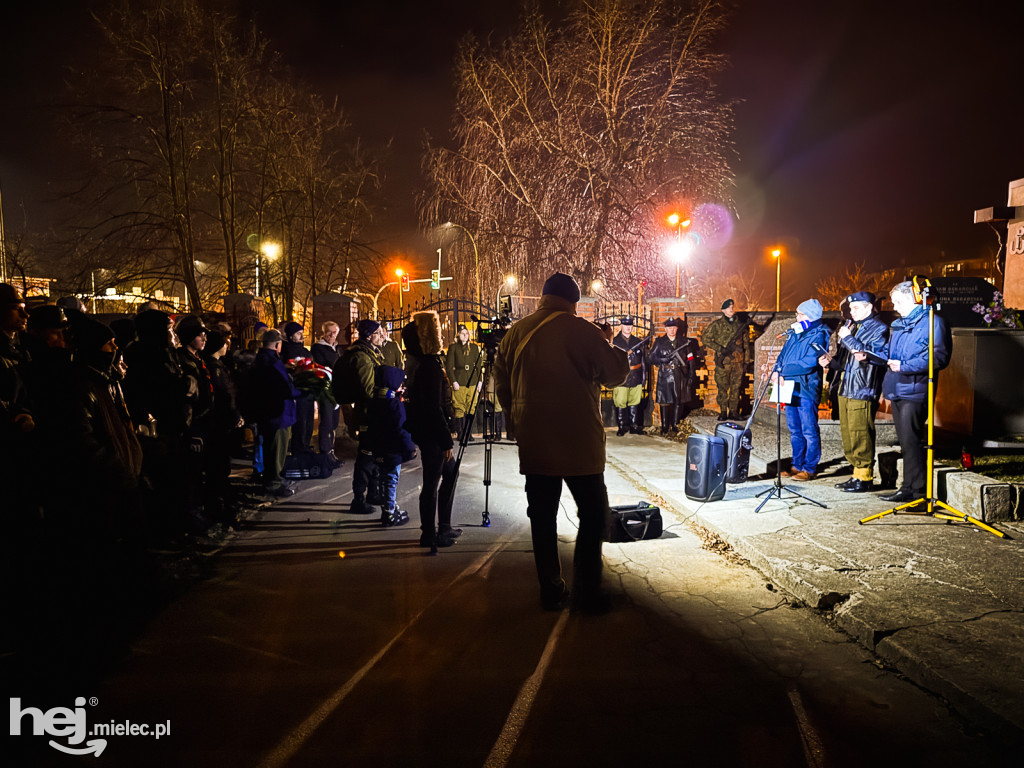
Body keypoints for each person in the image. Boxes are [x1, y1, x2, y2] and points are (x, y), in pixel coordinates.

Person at [493, 272, 629, 613]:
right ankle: (587, 594)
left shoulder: (515, 334)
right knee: (593, 515)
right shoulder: (583, 331)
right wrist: (608, 342)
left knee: (542, 517)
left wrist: (518, 422)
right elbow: (614, 373)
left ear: (543, 297)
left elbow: (502, 387)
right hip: (578, 441)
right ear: (573, 302)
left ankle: (550, 589)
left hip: (535, 442)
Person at [879, 280, 952, 503]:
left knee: (913, 441)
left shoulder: (934, 322)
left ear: (914, 299)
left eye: (898, 302)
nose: (895, 307)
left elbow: (938, 357)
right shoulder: (899, 325)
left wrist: (905, 366)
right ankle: (908, 487)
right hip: (898, 387)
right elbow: (891, 351)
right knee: (906, 442)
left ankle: (918, 491)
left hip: (916, 389)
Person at [817, 292, 890, 492]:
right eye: (851, 308)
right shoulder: (852, 327)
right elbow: (847, 361)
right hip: (846, 386)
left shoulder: (879, 328)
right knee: (849, 433)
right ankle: (856, 473)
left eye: (856, 308)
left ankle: (865, 477)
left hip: (863, 387)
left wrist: (848, 339)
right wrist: (832, 363)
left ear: (869, 307)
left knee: (861, 432)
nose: (852, 312)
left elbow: (873, 355)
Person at [402, 312, 461, 549]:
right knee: (432, 482)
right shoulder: (428, 366)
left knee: (449, 472)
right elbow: (433, 407)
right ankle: (429, 533)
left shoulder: (423, 362)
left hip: (429, 431)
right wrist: (446, 439)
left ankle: (442, 528)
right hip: (432, 433)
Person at [772, 299, 830, 481]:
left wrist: (783, 371)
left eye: (800, 314)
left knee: (809, 430)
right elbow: (782, 356)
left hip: (805, 387)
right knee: (794, 429)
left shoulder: (819, 334)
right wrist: (776, 371)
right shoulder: (795, 333)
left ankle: (810, 467)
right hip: (789, 386)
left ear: (811, 316)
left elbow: (809, 362)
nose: (797, 317)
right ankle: (797, 464)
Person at [333, 318, 386, 514]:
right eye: (379, 333)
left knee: (375, 454)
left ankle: (373, 493)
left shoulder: (369, 353)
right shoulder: (362, 357)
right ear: (369, 336)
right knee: (366, 456)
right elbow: (367, 390)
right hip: (367, 414)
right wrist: (389, 391)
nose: (382, 336)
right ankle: (358, 499)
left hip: (373, 413)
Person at [249, 329, 301, 497]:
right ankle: (274, 484)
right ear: (278, 345)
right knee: (276, 450)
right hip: (277, 414)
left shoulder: (262, 360)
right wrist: (301, 390)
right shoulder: (271, 362)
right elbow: (282, 388)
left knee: (274, 449)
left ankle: (274, 479)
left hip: (271, 413)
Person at [363, 365, 415, 527]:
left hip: (378, 448)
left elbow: (368, 426)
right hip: (393, 450)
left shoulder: (375, 402)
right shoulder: (394, 405)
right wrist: (410, 448)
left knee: (383, 479)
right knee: (391, 479)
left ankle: (388, 507)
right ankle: (390, 513)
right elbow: (401, 429)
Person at [701, 298, 752, 421]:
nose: (732, 309)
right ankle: (723, 411)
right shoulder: (717, 325)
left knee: (736, 387)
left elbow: (746, 345)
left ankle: (733, 412)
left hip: (737, 362)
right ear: (723, 310)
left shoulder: (740, 326)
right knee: (722, 387)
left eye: (733, 307)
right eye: (729, 307)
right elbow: (705, 339)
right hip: (723, 362)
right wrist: (720, 349)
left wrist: (746, 361)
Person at [648, 317, 697, 434]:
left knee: (678, 401)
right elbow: (650, 358)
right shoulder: (659, 342)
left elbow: (690, 360)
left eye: (674, 327)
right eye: (669, 328)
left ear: (677, 328)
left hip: (679, 374)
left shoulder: (684, 342)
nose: (672, 330)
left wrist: (691, 376)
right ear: (665, 329)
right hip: (665, 374)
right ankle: (665, 426)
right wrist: (661, 360)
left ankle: (675, 424)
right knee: (664, 400)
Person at [280, 321, 315, 456]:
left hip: (309, 390)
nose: (301, 336)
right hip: (297, 391)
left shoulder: (305, 351)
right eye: (298, 334)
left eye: (302, 333)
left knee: (309, 420)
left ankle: (306, 444)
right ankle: (298, 447)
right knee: (300, 421)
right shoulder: (286, 351)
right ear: (290, 336)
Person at [311, 321, 343, 466]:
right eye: (329, 332)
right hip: (325, 390)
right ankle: (325, 453)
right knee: (326, 422)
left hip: (336, 389)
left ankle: (332, 452)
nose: (332, 335)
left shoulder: (337, 348)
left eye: (334, 332)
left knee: (334, 423)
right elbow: (320, 368)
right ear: (323, 332)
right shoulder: (318, 348)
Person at [445, 323, 482, 441]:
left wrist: (480, 381)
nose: (465, 336)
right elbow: (449, 367)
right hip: (459, 381)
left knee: (471, 407)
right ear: (458, 335)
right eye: (462, 333)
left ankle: (469, 433)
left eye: (466, 333)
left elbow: (479, 366)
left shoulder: (475, 348)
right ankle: (461, 433)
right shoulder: (453, 348)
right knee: (459, 408)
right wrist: (453, 381)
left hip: (472, 381)